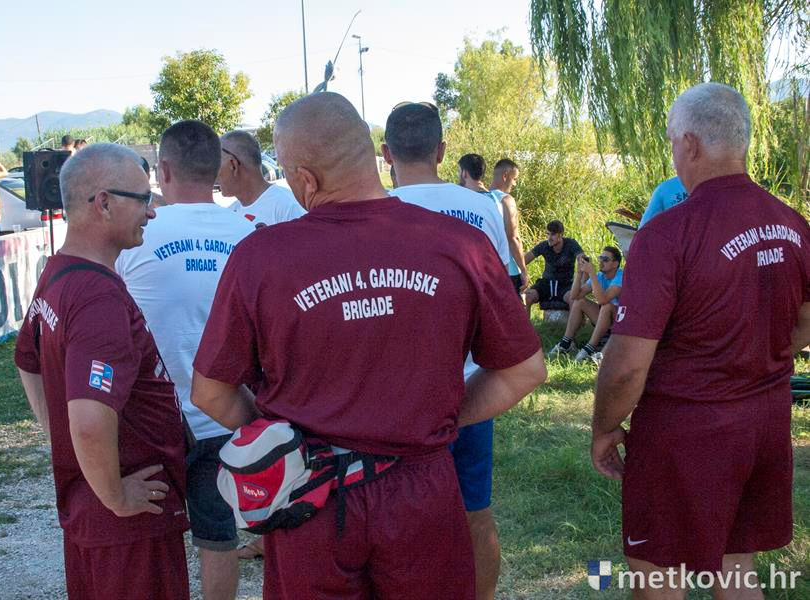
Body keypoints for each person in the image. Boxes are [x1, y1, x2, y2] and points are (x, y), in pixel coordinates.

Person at [190, 92, 547, 599]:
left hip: (310, 493)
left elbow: (209, 392)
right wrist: (440, 419)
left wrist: (278, 437)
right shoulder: (459, 245)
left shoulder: (260, 258)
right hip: (422, 490)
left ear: (306, 179)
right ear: (370, 154)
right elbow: (525, 370)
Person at [592, 82, 810, 598]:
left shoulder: (668, 233)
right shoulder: (792, 224)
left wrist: (603, 427)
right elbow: (805, 321)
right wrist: (762, 353)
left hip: (685, 429)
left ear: (689, 144)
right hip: (764, 421)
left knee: (657, 568)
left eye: (672, 142)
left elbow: (627, 365)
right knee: (735, 564)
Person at [14, 143, 189, 600]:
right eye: (143, 198)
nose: (151, 212)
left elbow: (27, 361)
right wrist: (116, 496)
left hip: (96, 511)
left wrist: (64, 440)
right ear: (104, 203)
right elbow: (89, 421)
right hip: (128, 525)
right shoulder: (97, 298)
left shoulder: (59, 273)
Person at [382, 101, 516, 600]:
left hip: (397, 394)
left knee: (398, 518)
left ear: (386, 153)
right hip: (470, 386)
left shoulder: (376, 210)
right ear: (441, 151)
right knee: (475, 510)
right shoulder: (482, 207)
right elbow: (498, 295)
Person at [115, 122, 253, 600]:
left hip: (152, 415)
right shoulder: (247, 234)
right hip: (225, 411)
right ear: (217, 169)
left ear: (164, 170)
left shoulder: (136, 235)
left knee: (152, 535)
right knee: (219, 536)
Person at [547, 246, 623, 363]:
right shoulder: (599, 276)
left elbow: (603, 300)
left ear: (615, 264)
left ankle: (589, 348)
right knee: (579, 301)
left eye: (605, 259)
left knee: (606, 306)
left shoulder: (620, 276)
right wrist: (579, 273)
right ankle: (566, 343)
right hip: (604, 318)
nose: (601, 262)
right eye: (600, 258)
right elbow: (574, 296)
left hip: (619, 320)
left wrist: (591, 273)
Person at [217, 130, 305, 227]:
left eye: (217, 163)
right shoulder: (230, 213)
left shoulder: (287, 206)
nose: (214, 172)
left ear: (233, 165)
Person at [523, 220, 583, 311]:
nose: (549, 238)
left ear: (560, 235)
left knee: (574, 300)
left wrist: (581, 281)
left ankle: (574, 320)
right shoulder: (544, 246)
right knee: (527, 297)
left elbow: (583, 260)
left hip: (565, 285)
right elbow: (523, 261)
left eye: (553, 234)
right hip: (546, 284)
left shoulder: (570, 244)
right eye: (548, 234)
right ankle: (524, 321)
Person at [490, 158, 529, 295]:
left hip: (485, 268)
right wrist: (523, 270)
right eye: (514, 179)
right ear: (505, 176)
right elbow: (513, 238)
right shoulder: (506, 200)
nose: (515, 184)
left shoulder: (479, 198)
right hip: (508, 270)